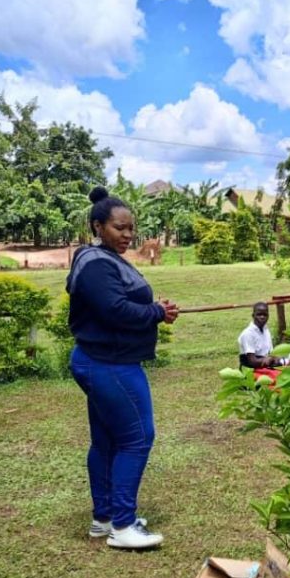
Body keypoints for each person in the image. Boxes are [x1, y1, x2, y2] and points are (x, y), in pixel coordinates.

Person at [67, 186, 178, 551]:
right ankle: (124, 525)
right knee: (137, 438)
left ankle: (104, 518)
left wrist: (156, 310)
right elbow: (114, 310)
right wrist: (157, 313)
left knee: (107, 440)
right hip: (109, 364)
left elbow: (119, 303)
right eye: (120, 228)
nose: (128, 235)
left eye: (131, 228)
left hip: (99, 360)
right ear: (98, 226)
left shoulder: (100, 258)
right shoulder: (96, 263)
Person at [238, 302, 286, 376]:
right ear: (253, 315)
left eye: (265, 315)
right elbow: (252, 361)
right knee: (280, 378)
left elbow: (270, 353)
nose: (262, 317)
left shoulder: (266, 330)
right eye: (259, 314)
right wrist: (268, 360)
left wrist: (275, 359)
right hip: (251, 370)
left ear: (268, 316)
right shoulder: (248, 334)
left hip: (265, 366)